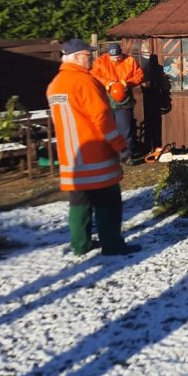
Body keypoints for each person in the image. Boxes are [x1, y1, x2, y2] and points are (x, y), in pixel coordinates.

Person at [47, 38, 139, 255]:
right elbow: (102, 118)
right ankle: (112, 245)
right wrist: (120, 145)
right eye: (88, 55)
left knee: (79, 202)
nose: (91, 59)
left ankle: (80, 245)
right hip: (95, 155)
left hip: (70, 156)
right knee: (108, 201)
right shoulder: (85, 82)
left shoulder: (55, 85)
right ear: (78, 57)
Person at [91, 41, 144, 159]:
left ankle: (127, 156)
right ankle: (108, 155)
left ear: (121, 53)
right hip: (106, 99)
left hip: (124, 99)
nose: (115, 59)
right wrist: (107, 83)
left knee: (125, 128)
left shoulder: (130, 61)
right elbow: (94, 75)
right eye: (112, 57)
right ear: (108, 54)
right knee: (107, 128)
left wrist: (128, 83)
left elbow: (139, 75)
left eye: (117, 57)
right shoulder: (100, 61)